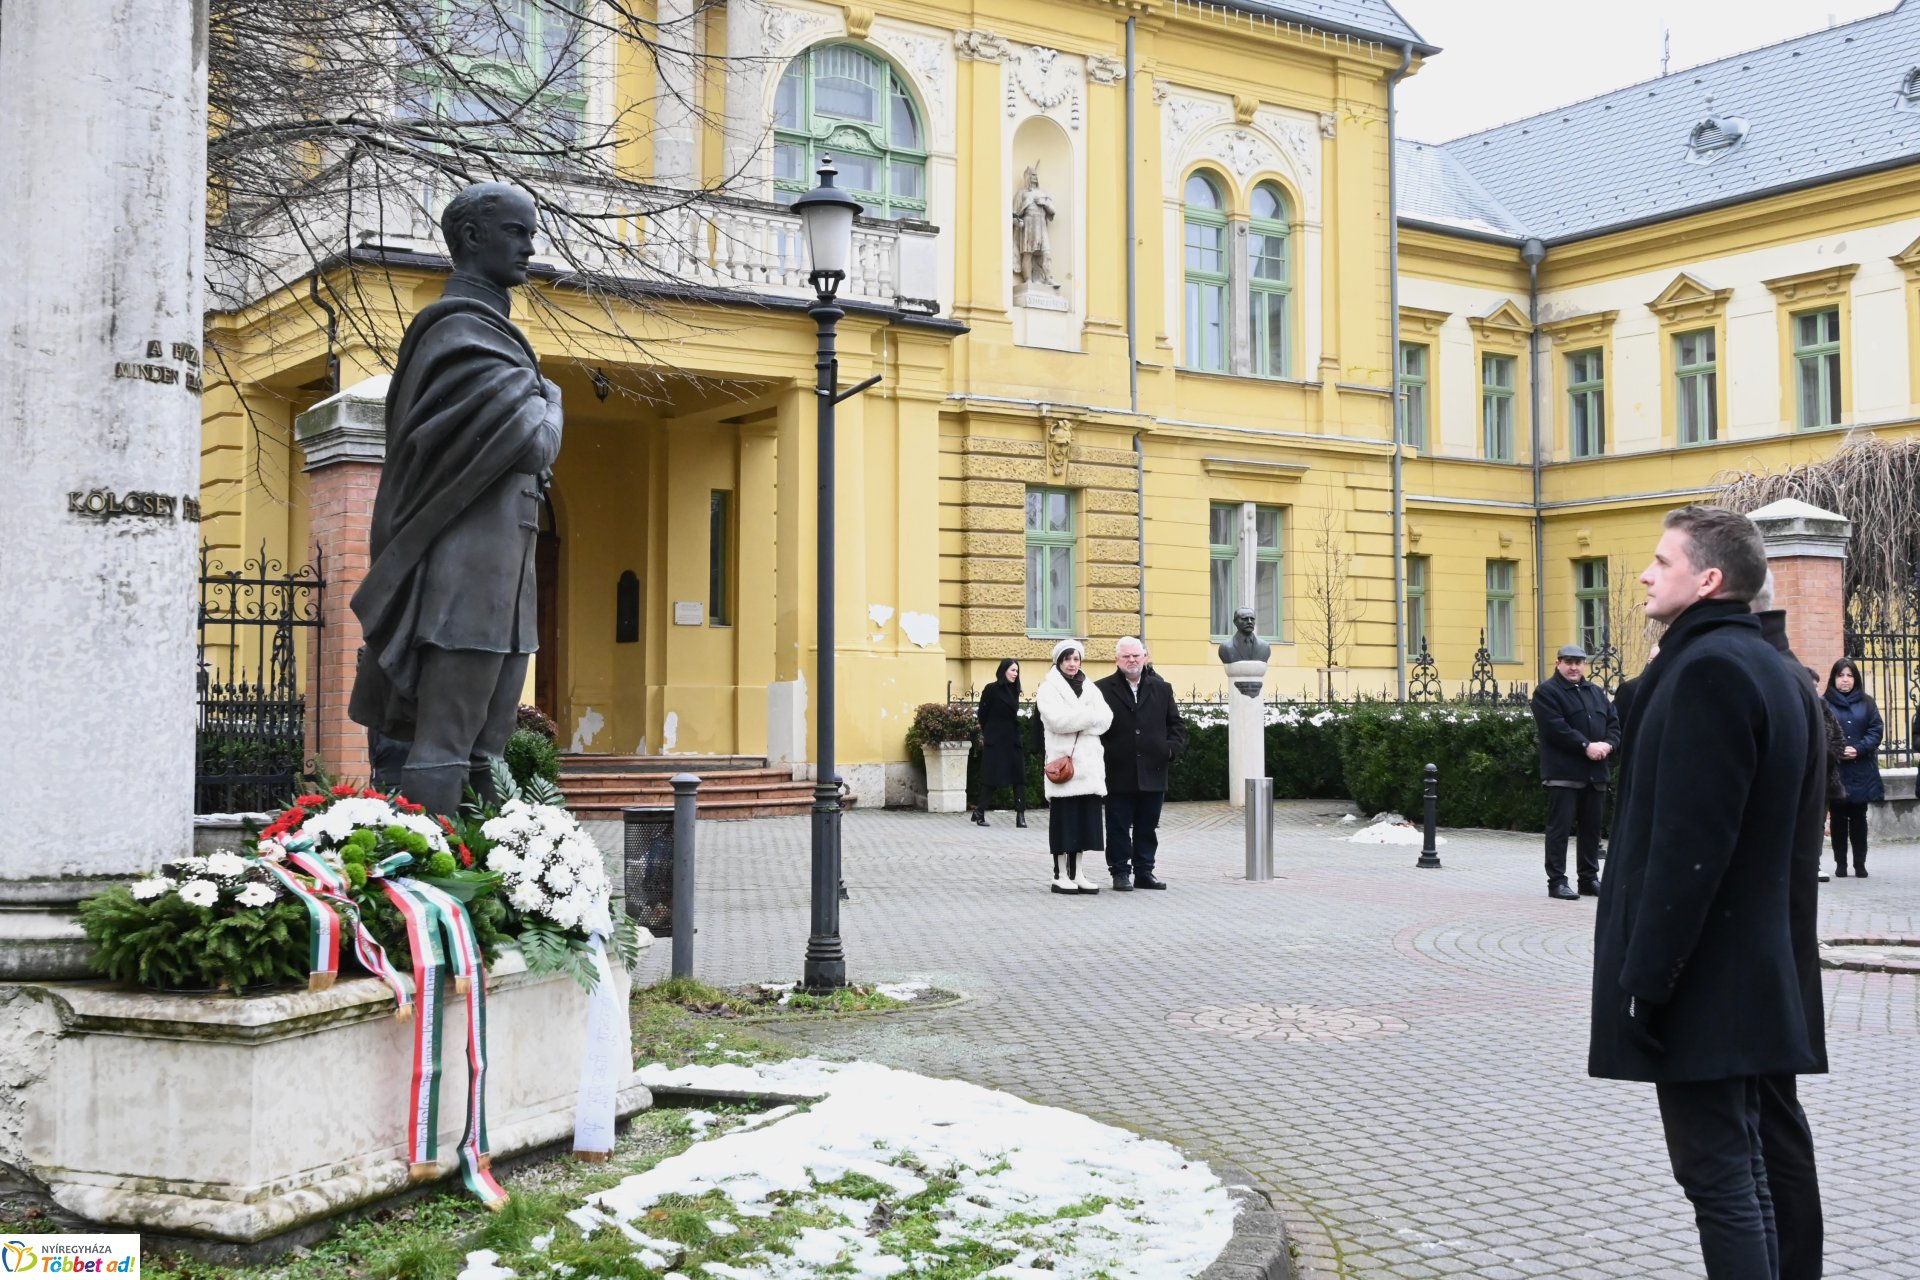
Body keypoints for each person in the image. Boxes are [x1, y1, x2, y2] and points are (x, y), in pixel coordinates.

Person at [1589, 505, 1824, 1280]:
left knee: (1718, 1177)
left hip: (1705, 981)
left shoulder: (1709, 672)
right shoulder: (1772, 669)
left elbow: (1690, 848)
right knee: (1747, 1167)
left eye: (1662, 560)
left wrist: (1647, 983)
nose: (1647, 574)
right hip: (1750, 971)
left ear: (1709, 578)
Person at [349, 182, 564, 818]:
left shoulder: (490, 332)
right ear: (472, 238)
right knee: (444, 746)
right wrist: (552, 401)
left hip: (507, 567)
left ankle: (492, 882)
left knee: (486, 750)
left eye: (531, 231)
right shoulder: (458, 331)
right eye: (516, 231)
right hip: (468, 572)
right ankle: (431, 885)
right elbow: (532, 443)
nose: (530, 245)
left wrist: (540, 402)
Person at [1751, 575, 1831, 1280]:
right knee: (1775, 1123)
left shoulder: (1768, 680)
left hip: (1764, 948)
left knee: (1773, 1128)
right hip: (1781, 939)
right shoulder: (1789, 677)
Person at [1530, 643, 1620, 899]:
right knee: (1559, 829)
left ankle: (1589, 879)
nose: (1574, 667)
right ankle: (1557, 881)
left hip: (1595, 774)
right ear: (1558, 663)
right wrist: (1586, 746)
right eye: (1568, 662)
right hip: (1563, 775)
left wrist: (1608, 744)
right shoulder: (1547, 692)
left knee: (1592, 830)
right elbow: (1555, 728)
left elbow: (1614, 723)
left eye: (1578, 662)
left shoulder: (1595, 692)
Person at [1096, 638, 1186, 891]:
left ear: (1145, 657)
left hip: (1153, 768)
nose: (1132, 660)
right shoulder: (1101, 689)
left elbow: (1176, 724)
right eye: (1126, 656)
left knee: (1148, 826)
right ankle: (1120, 872)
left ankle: (1145, 871)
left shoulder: (1162, 688)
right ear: (1117, 659)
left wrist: (1170, 749)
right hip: (1117, 769)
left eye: (1136, 655)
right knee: (1118, 825)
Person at [1035, 639, 1112, 896]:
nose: (1072, 664)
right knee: (1064, 824)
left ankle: (1077, 873)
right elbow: (1057, 721)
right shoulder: (1048, 688)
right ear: (1059, 661)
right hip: (1064, 768)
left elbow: (1107, 719)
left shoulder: (1090, 687)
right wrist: (1089, 717)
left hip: (1088, 768)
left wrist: (1082, 719)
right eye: (1067, 659)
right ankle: (1059, 875)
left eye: (1076, 659)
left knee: (1083, 825)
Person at [1822, 657, 1883, 878]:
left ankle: (1860, 863)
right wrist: (1837, 750)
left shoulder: (1867, 703)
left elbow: (1875, 730)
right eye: (1841, 675)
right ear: (1834, 678)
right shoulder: (1823, 702)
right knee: (1837, 818)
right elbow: (1818, 731)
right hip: (1835, 770)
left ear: (1855, 679)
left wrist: (1859, 748)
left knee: (1859, 817)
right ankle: (1841, 863)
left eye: (1849, 675)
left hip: (1861, 769)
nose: (1845, 680)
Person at [973, 659, 1028, 828]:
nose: (1015, 674)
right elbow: (983, 714)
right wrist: (989, 733)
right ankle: (980, 811)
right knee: (992, 777)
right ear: (1004, 670)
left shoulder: (1015, 690)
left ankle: (1020, 815)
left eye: (1017, 671)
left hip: (1012, 738)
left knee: (1018, 776)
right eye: (1012, 670)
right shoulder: (991, 689)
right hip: (995, 739)